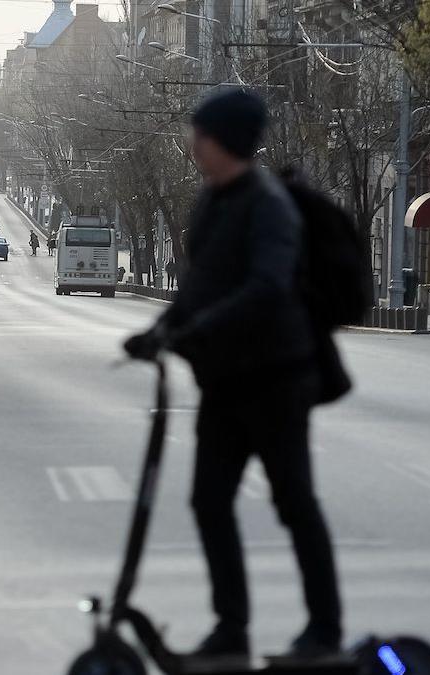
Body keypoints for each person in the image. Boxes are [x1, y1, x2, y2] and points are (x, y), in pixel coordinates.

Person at [123, 88, 343, 666]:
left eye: (200, 132)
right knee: (209, 501)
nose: (193, 142)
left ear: (222, 139)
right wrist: (159, 330)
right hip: (225, 382)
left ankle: (324, 634)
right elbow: (200, 286)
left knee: (294, 502)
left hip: (277, 378)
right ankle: (231, 630)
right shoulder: (211, 201)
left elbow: (268, 287)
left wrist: (199, 330)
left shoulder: (267, 204)